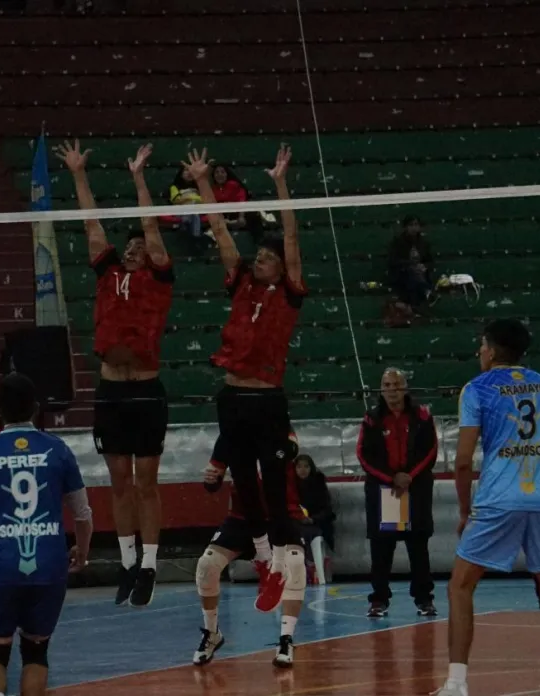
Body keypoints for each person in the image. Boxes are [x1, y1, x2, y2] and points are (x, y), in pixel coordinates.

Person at [434, 319, 540, 696]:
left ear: (491, 348)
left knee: (460, 586)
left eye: (480, 345)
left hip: (500, 500)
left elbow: (464, 460)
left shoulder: (478, 388)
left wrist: (466, 511)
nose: (478, 352)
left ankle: (457, 683)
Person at [184, 144, 306, 613]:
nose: (259, 260)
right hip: (233, 396)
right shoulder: (241, 284)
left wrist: (278, 183)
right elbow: (219, 231)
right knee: (245, 485)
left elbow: (291, 237)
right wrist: (202, 183)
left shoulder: (289, 294)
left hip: (268, 399)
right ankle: (263, 561)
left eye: (267, 259)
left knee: (275, 486)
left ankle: (277, 561)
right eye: (258, 257)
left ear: (280, 267)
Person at [55, 140, 173, 607]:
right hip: (110, 390)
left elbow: (150, 225)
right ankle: (127, 563)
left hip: (144, 390)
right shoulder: (107, 274)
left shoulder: (157, 278)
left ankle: (149, 564)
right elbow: (91, 224)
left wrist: (138, 177)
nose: (133, 250)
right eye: (129, 247)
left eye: (140, 247)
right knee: (118, 480)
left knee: (146, 482)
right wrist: (78, 173)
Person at [0, 373, 93, 696]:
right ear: (36, 408)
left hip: (1, 567)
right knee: (36, 652)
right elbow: (83, 514)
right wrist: (81, 551)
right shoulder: (59, 450)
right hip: (49, 565)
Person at [195, 439, 306, 668]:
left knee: (295, 563)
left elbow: (292, 451)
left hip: (280, 516)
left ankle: (286, 639)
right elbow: (214, 478)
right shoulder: (232, 434)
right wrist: (211, 479)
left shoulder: (278, 429)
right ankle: (211, 632)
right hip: (241, 519)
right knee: (207, 565)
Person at [356, 368, 438, 617]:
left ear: (405, 388)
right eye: (387, 384)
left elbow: (431, 449)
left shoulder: (422, 416)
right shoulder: (371, 419)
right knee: (381, 549)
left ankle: (424, 599)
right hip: (384, 492)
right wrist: (391, 479)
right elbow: (363, 455)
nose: (392, 389)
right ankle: (379, 600)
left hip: (416, 489)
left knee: (418, 547)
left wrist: (409, 476)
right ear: (381, 389)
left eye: (396, 384)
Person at [293, 453, 335, 586]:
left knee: (309, 532)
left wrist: (312, 519)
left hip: (316, 523)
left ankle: (313, 567)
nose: (303, 470)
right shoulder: (290, 486)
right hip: (295, 522)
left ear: (311, 468)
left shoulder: (318, 483)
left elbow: (327, 511)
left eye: (306, 466)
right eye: (299, 467)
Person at [388, 215, 434, 311]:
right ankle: (427, 292)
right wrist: (411, 265)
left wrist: (424, 266)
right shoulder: (398, 242)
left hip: (422, 274)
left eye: (416, 225)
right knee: (412, 272)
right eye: (411, 225)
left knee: (418, 273)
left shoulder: (424, 243)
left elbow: (430, 261)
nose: (414, 228)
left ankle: (424, 294)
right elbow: (393, 261)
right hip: (403, 274)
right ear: (405, 227)